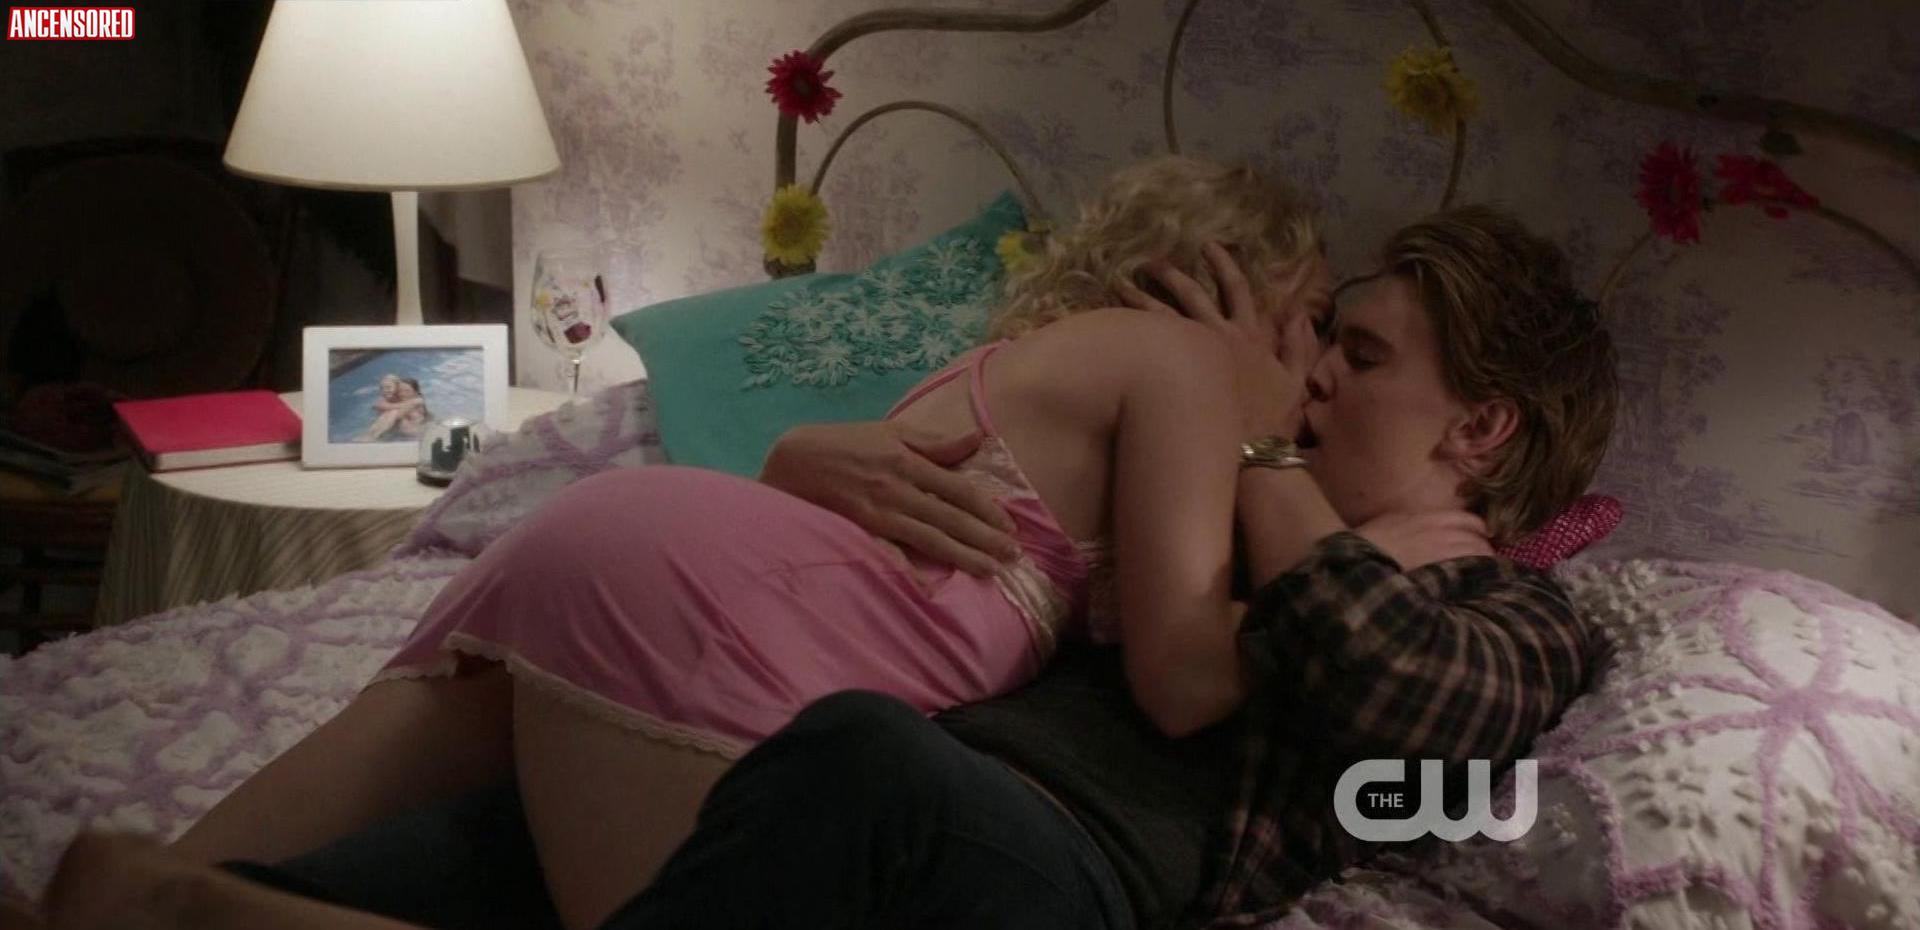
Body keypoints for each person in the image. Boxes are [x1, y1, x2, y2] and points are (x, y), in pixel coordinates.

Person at [34, 201, 1616, 930]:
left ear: (1481, 427)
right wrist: (804, 455)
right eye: (1311, 341)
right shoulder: (1216, 506)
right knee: (466, 839)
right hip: (829, 788)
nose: (1309, 374)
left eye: (1357, 353)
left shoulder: (1520, 609)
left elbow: (1392, 706)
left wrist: (1262, 451)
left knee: (852, 758)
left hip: (1039, 852)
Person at [359, 376, 431, 442]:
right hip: (400, 434)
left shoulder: (417, 401)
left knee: (393, 413)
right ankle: (370, 435)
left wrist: (385, 407)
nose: (403, 393)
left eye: (407, 391)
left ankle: (371, 436)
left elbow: (398, 414)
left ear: (415, 392)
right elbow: (378, 405)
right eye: (401, 391)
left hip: (417, 434)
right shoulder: (397, 400)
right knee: (391, 413)